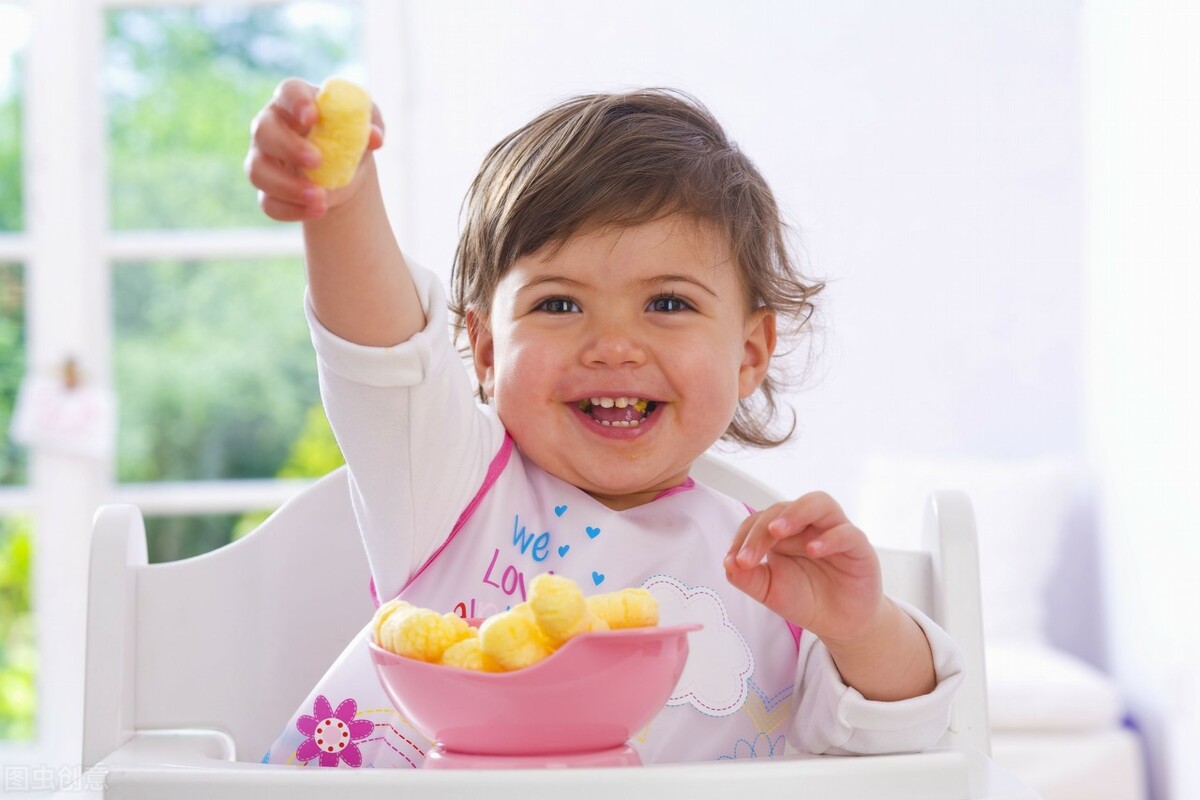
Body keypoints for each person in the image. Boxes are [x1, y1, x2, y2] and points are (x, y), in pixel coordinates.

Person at [245, 79, 963, 768]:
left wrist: (858, 628)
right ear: (489, 351)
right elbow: (385, 358)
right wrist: (337, 198)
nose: (614, 345)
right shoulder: (449, 481)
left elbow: (900, 734)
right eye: (559, 304)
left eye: (669, 303)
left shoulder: (772, 577)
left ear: (748, 355)